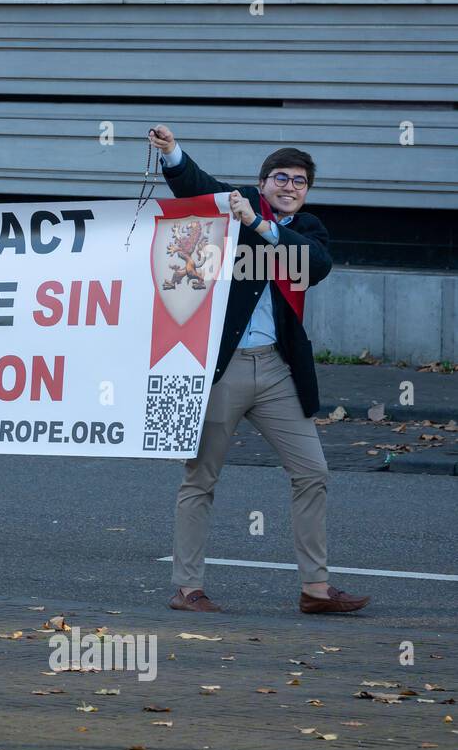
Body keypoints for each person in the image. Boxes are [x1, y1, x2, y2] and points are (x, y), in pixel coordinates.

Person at [148, 124, 369, 615]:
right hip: (222, 369)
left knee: (313, 471)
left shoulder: (305, 229)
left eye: (299, 181)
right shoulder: (238, 203)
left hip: (274, 370)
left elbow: (314, 265)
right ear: (263, 182)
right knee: (200, 477)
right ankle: (188, 589)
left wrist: (263, 226)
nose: (290, 186)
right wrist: (173, 153)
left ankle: (315, 589)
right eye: (280, 178)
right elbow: (195, 185)